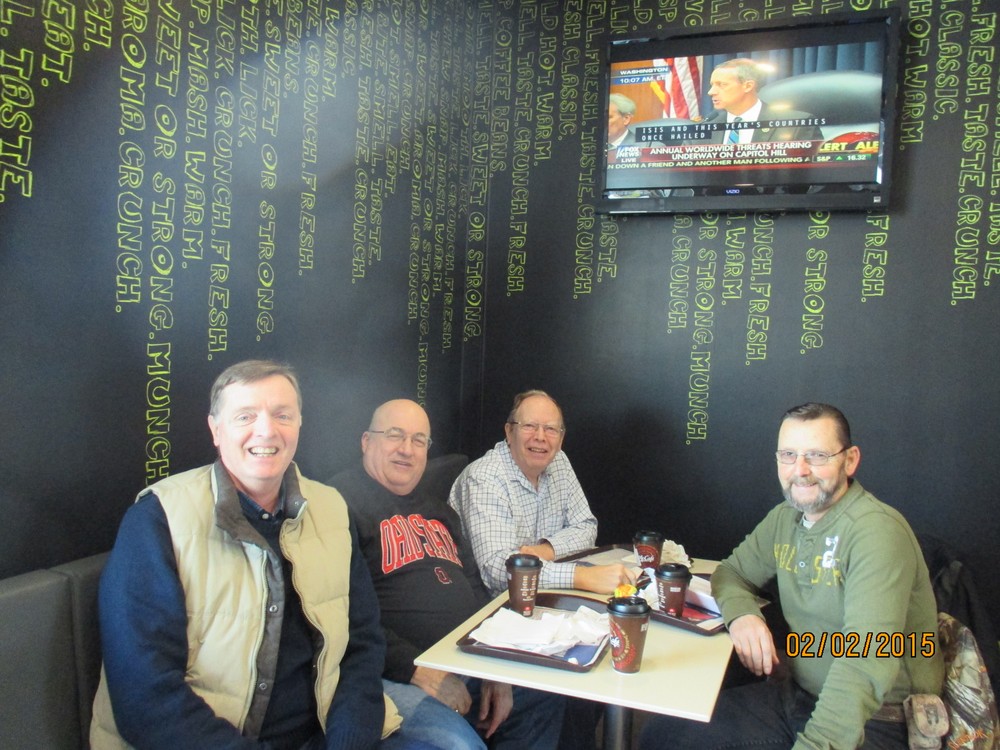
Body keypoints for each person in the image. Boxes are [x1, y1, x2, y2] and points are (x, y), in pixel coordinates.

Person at [91, 360, 428, 750]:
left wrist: (348, 741)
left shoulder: (332, 509)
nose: (266, 430)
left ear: (299, 425)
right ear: (216, 430)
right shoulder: (157, 521)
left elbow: (362, 645)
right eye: (245, 416)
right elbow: (145, 699)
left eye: (282, 415)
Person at [639, 402, 945, 750]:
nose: (800, 470)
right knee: (664, 735)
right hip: (799, 695)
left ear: (850, 460)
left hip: (876, 719)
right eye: (788, 455)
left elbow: (865, 661)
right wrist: (742, 616)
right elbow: (731, 573)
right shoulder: (786, 517)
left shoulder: (876, 533)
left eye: (817, 455)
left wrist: (816, 743)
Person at [329, 399, 566, 750]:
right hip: (392, 674)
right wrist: (417, 670)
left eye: (419, 440)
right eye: (395, 435)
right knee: (459, 746)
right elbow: (342, 615)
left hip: (465, 662)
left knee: (546, 695)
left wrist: (493, 665)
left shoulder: (439, 512)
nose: (407, 449)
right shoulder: (337, 504)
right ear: (367, 441)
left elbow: (475, 592)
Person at [449, 389, 634, 598]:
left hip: (545, 593)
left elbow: (586, 526)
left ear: (561, 438)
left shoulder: (559, 461)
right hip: (493, 603)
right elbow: (498, 570)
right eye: (529, 426)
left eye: (550, 429)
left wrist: (543, 551)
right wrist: (581, 577)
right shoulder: (484, 477)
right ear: (509, 432)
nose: (540, 437)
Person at [702, 58, 823, 144]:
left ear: (748, 86)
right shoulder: (704, 129)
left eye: (722, 84)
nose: (711, 92)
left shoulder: (798, 124)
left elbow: (813, 170)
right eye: (712, 85)